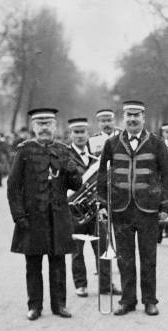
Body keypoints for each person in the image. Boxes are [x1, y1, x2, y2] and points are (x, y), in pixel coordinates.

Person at [97, 100, 168, 316]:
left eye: (136, 115)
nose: (132, 119)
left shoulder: (156, 143)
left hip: (148, 210)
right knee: (125, 259)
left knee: (148, 258)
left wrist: (166, 203)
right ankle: (128, 300)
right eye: (128, 115)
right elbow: (103, 176)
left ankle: (150, 300)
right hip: (120, 210)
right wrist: (103, 204)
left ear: (143, 117)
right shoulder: (112, 144)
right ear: (123, 118)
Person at [7, 108, 81, 320]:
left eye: (48, 123)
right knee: (33, 264)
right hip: (32, 218)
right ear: (33, 127)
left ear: (56, 126)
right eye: (40, 124)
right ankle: (35, 306)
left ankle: (59, 306)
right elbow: (13, 187)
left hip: (57, 217)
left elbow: (77, 185)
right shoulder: (24, 150)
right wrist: (18, 216)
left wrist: (71, 170)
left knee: (58, 263)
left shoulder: (64, 150)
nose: (44, 128)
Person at [67, 117, 121, 298]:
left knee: (103, 247)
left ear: (88, 134)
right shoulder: (65, 155)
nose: (80, 136)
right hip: (75, 211)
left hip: (96, 209)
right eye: (76, 132)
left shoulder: (96, 157)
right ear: (71, 134)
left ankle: (106, 284)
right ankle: (80, 284)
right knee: (77, 250)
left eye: (83, 132)